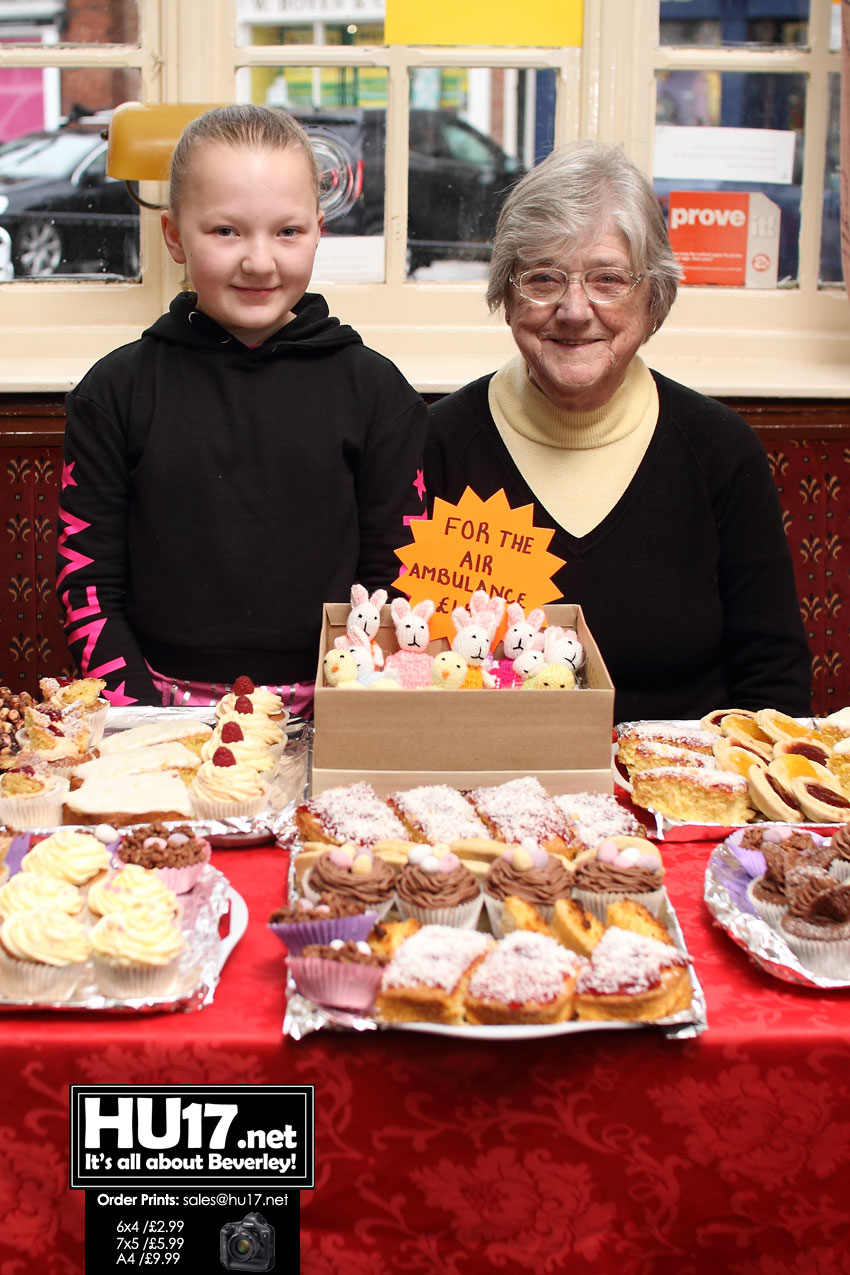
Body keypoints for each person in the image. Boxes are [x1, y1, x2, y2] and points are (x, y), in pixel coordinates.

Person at [425, 141, 811, 722]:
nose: (576, 310)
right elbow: (393, 663)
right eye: (544, 279)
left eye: (608, 280)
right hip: (487, 786)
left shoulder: (720, 452)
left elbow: (773, 683)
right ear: (506, 296)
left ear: (653, 297)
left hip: (680, 784)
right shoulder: (437, 444)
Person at [57, 105, 426, 712]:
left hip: (338, 705)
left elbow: (397, 578)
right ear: (174, 235)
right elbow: (87, 579)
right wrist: (142, 718)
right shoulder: (115, 392)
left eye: (288, 231)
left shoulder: (378, 393)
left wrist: (359, 703)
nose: (260, 261)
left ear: (318, 230)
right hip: (155, 708)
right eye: (226, 231)